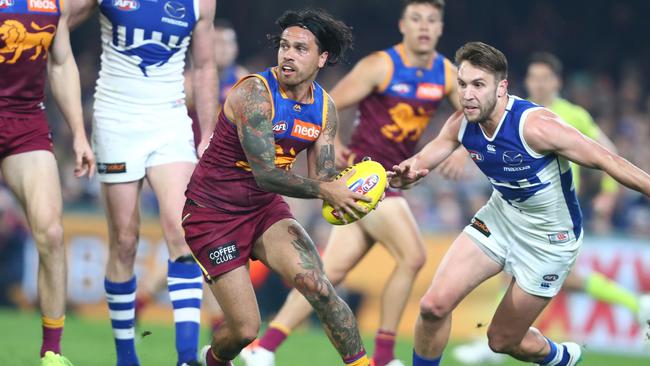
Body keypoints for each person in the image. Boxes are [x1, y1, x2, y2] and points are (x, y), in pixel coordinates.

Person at [389, 41, 650, 366]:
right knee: (433, 307)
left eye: (478, 85)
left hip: (550, 241)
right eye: (463, 84)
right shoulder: (462, 122)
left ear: (502, 88)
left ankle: (560, 357)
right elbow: (434, 150)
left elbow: (608, 160)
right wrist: (411, 169)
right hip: (500, 219)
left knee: (502, 341)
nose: (468, 94)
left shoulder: (537, 126)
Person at [242, 2, 464, 365]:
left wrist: (459, 150)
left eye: (432, 20)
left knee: (329, 275)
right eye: (416, 19)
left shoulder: (446, 73)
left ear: (440, 28)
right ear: (402, 25)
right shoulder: (382, 65)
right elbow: (329, 103)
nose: (424, 26)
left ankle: (263, 349)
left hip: (393, 179)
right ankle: (384, 357)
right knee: (413, 256)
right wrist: (334, 142)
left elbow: (469, 113)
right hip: (366, 176)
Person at [182, 8, 373, 366]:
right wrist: (326, 190)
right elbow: (266, 174)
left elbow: (325, 180)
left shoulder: (325, 109)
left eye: (301, 48)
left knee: (319, 287)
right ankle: (210, 360)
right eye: (284, 46)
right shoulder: (254, 94)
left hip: (264, 210)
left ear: (322, 57)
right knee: (244, 329)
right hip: (213, 214)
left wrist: (359, 187)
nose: (288, 54)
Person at [73, 0, 217, 364]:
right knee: (124, 240)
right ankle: (126, 357)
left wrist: (209, 132)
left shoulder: (201, 3)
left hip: (169, 120)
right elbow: (59, 21)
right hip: (116, 120)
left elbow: (203, 65)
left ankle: (186, 357)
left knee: (182, 233)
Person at [0, 0, 95, 364]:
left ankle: (51, 351)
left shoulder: (53, 4)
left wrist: (79, 134)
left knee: (52, 234)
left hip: (25, 122)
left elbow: (60, 63)